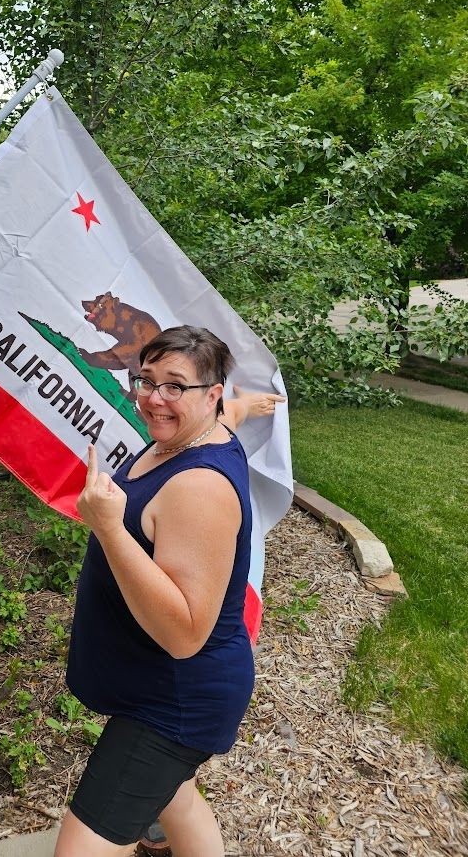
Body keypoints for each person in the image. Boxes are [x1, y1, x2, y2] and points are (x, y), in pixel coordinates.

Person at [54, 325, 286, 857]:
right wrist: (245, 407)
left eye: (174, 385)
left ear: (210, 395)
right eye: (147, 380)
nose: (155, 398)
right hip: (158, 684)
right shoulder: (190, 431)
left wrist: (109, 528)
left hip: (175, 701)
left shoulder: (200, 488)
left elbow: (185, 634)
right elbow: (227, 418)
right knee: (175, 798)